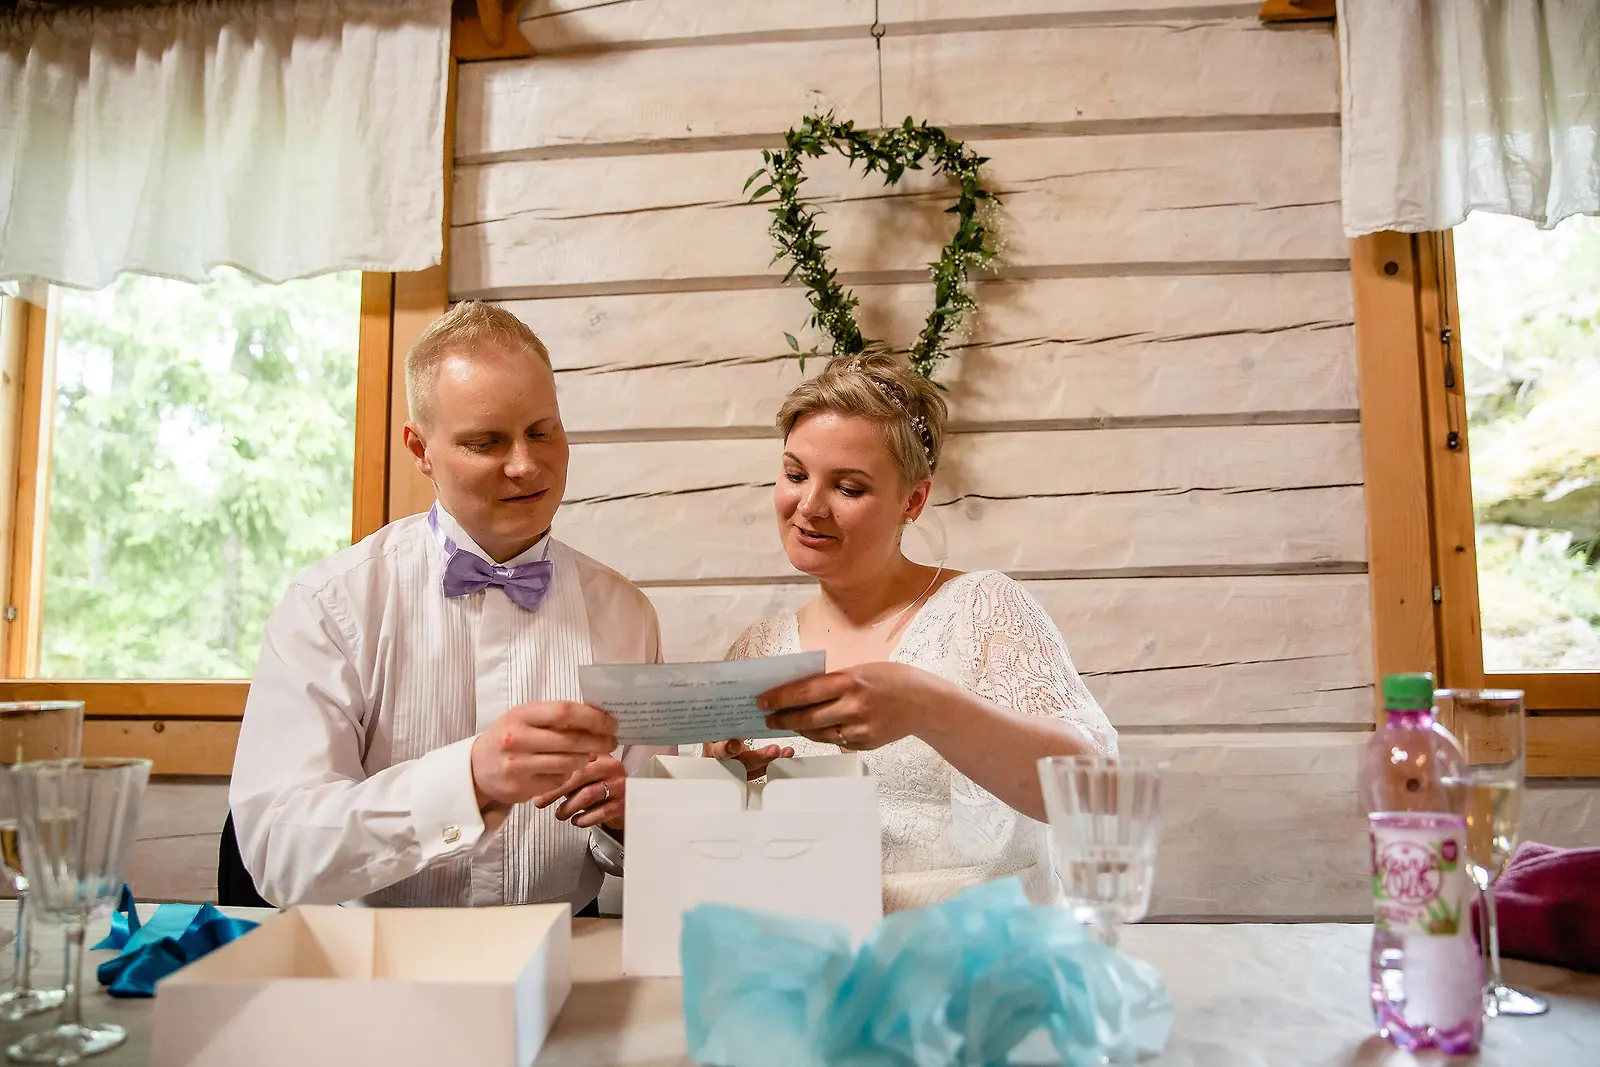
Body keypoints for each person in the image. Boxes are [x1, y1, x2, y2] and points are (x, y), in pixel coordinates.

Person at [231, 301, 662, 910]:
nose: (526, 465)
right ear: (419, 448)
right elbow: (279, 851)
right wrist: (469, 780)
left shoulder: (627, 615)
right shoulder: (330, 607)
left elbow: (650, 850)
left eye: (543, 432)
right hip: (377, 957)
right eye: (487, 442)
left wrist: (628, 820)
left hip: (562, 949)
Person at [711, 352, 1117, 910]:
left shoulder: (983, 608)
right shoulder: (756, 649)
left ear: (914, 500)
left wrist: (928, 707)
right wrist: (720, 788)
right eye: (796, 475)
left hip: (980, 945)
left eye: (848, 488)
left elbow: (1094, 791)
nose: (808, 506)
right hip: (811, 945)